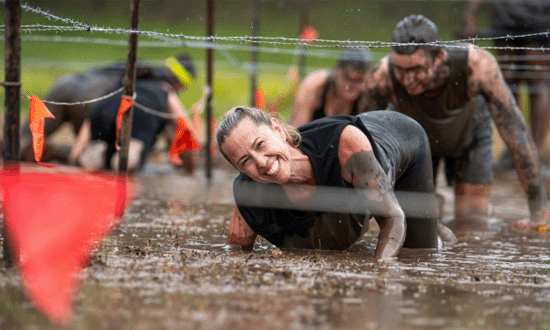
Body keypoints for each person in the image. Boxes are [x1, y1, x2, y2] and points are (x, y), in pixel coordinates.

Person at [362, 14, 549, 229]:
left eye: (416, 69)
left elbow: (517, 135)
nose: (407, 79)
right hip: (415, 144)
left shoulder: (478, 66)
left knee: (473, 224)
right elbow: (364, 142)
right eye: (400, 69)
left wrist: (538, 211)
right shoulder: (382, 77)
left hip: (470, 139)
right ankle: (434, 205)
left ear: (439, 57)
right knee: (417, 222)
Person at [216, 106, 455, 262]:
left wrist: (380, 274)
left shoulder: (345, 145)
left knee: (421, 253)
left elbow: (392, 219)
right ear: (239, 170)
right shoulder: (249, 193)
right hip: (358, 177)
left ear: (277, 130)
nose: (260, 163)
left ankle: (436, 229)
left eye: (260, 145)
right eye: (245, 160)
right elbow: (235, 252)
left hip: (402, 139)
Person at [20, 54, 198, 168]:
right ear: (181, 84)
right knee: (104, 155)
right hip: (95, 98)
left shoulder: (141, 69)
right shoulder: (161, 88)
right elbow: (179, 128)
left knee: (26, 138)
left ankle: (11, 156)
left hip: (66, 84)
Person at [460, 0, 550, 170]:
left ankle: (534, 155)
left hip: (539, 16)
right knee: (509, 80)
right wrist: (470, 16)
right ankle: (515, 150)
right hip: (505, 17)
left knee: (536, 82)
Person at [67, 73, 202, 173]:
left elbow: (83, 136)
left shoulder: (120, 87)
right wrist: (190, 169)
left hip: (104, 109)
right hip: (141, 112)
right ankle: (126, 159)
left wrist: (73, 160)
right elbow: (184, 125)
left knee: (97, 147)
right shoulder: (165, 89)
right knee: (132, 150)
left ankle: (95, 156)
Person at [288, 46, 371, 127]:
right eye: (347, 77)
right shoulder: (316, 85)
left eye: (359, 80)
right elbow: (297, 128)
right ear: (337, 70)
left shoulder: (366, 95)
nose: (352, 85)